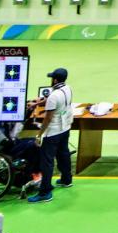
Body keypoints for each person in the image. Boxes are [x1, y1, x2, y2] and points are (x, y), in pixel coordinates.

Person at [28, 67, 74, 203]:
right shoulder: (68, 89)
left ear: (54, 79)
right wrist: (38, 103)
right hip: (65, 127)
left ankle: (45, 192)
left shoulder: (54, 96)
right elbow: (51, 99)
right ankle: (66, 179)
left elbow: (47, 118)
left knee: (46, 162)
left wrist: (39, 134)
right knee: (63, 153)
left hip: (53, 132)